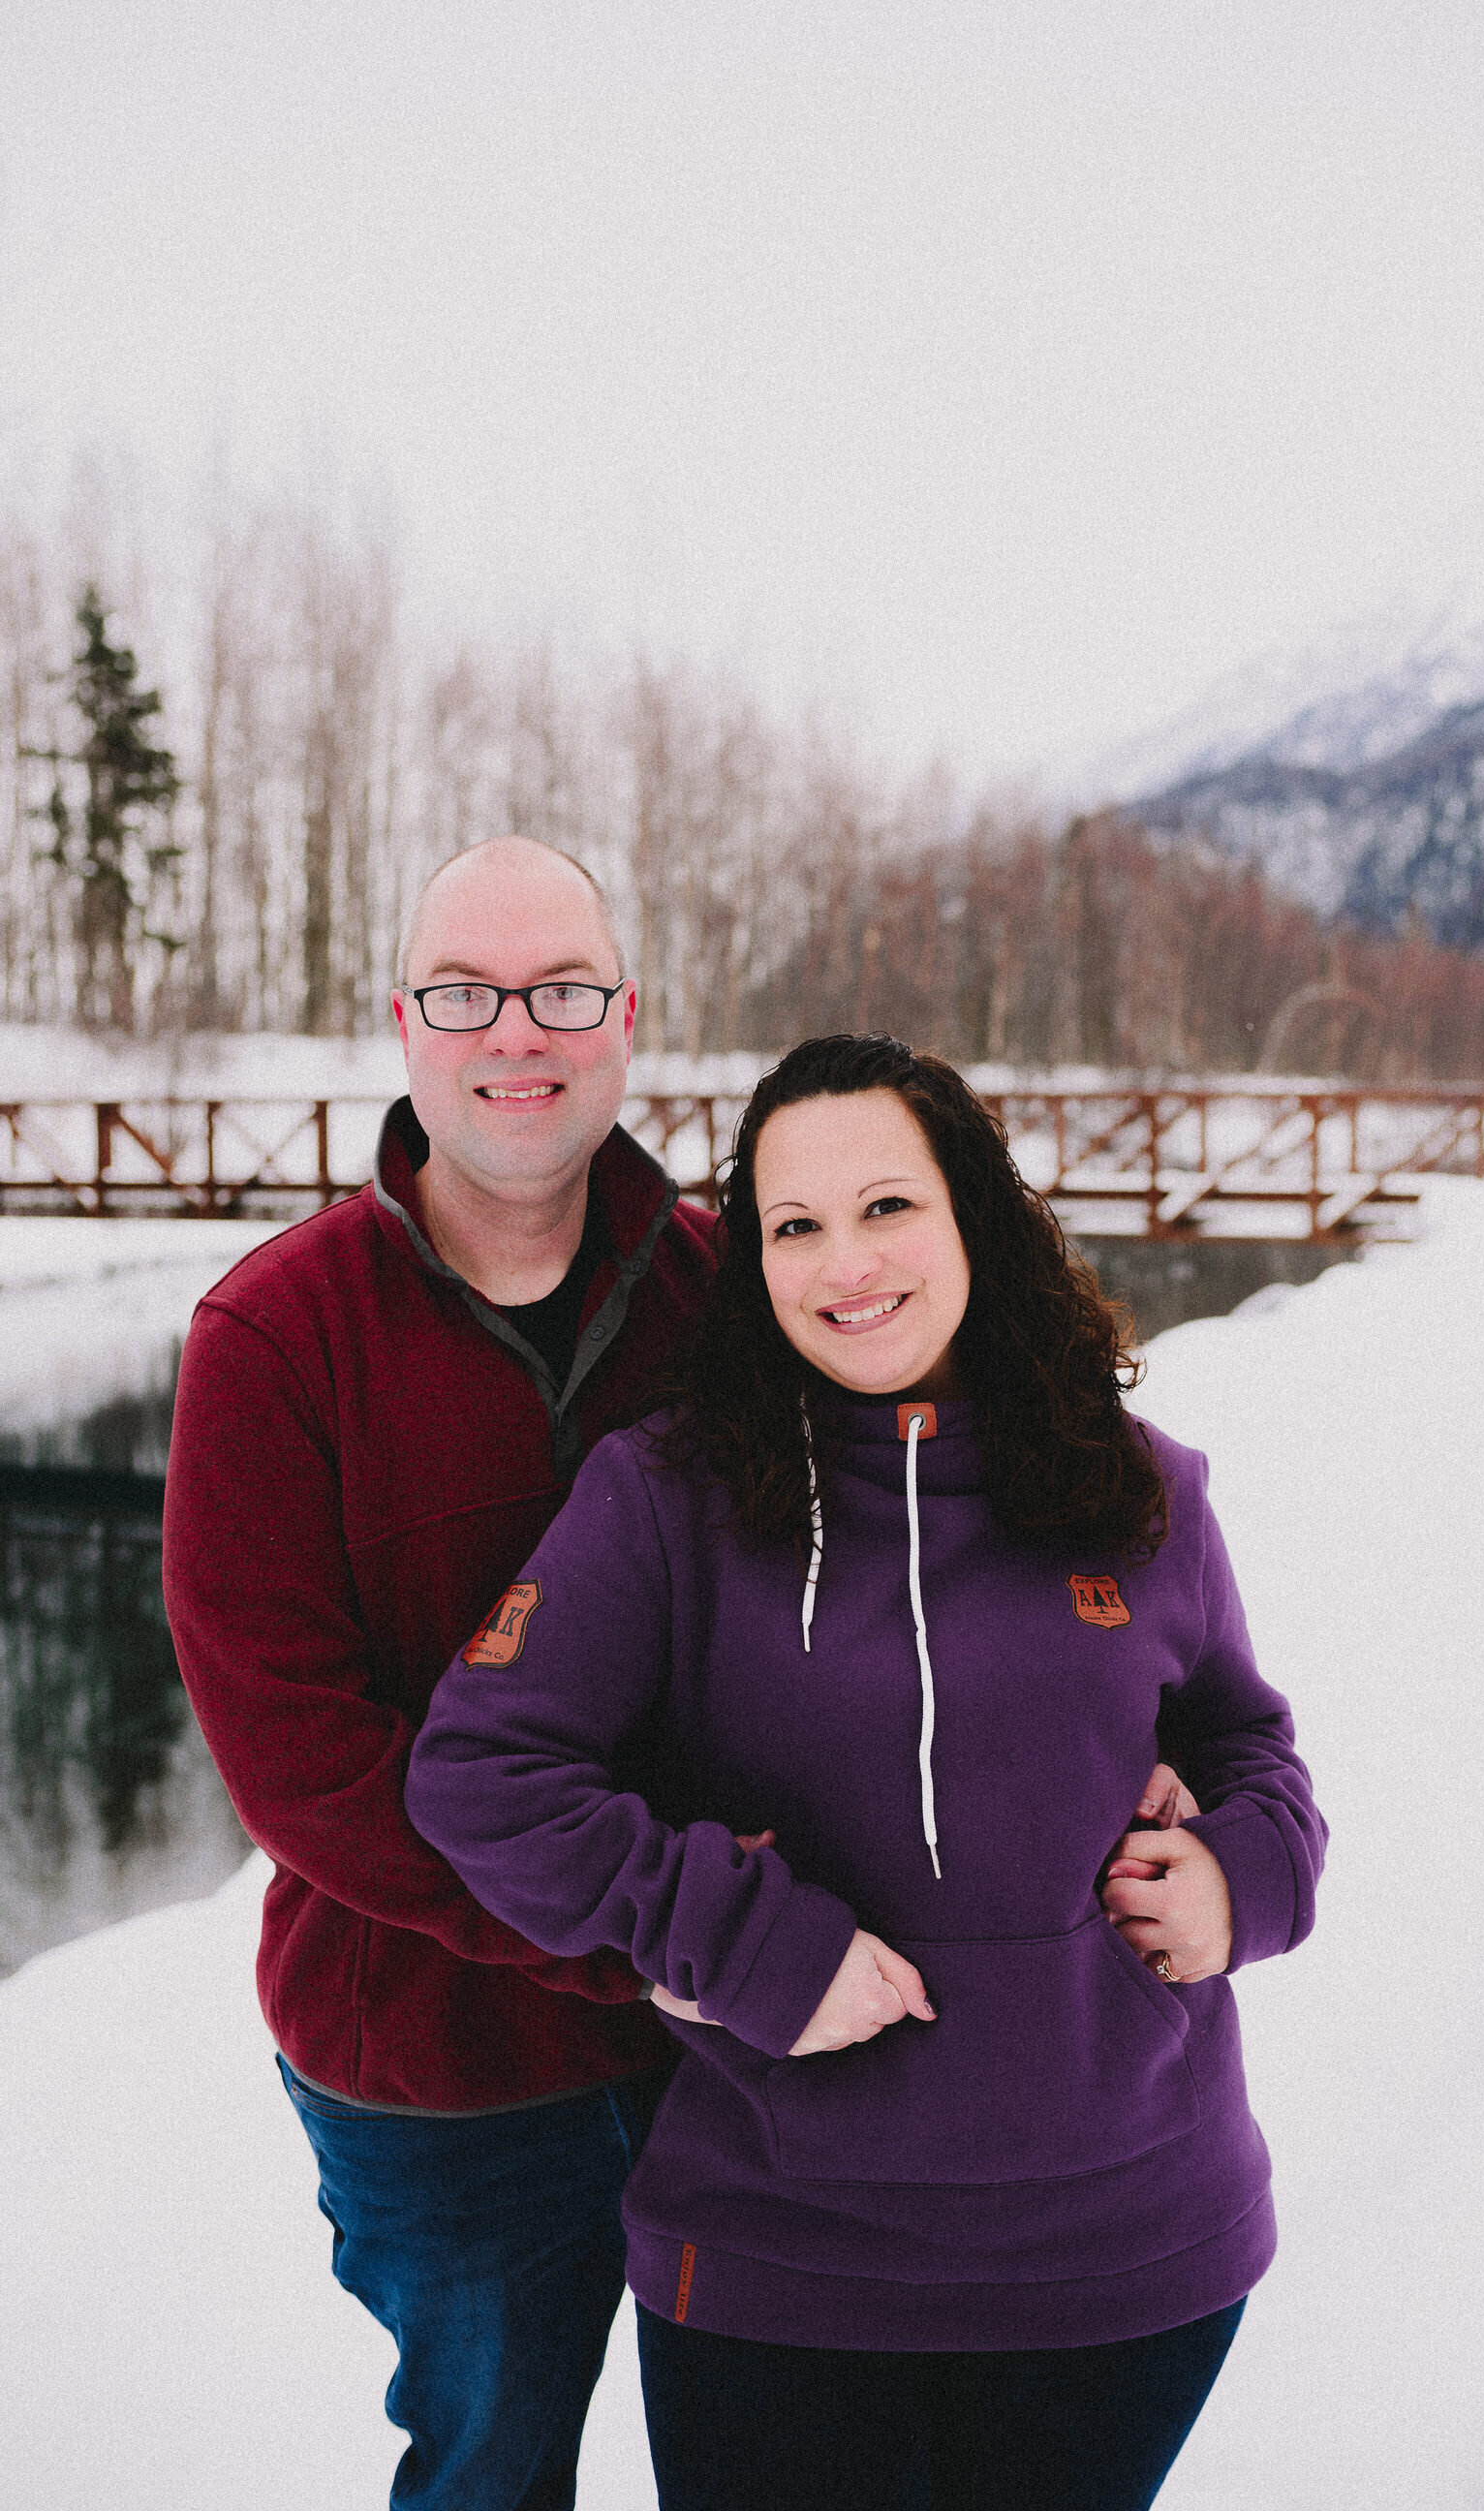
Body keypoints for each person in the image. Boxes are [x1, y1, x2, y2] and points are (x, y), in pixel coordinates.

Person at [406, 1031, 1329, 2511]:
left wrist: (1247, 1874)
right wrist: (738, 1935)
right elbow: (483, 1773)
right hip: (782, 2268)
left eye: (887, 1207)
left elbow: (1239, 1737)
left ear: (972, 1215)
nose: (847, 1263)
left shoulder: (1139, 1484)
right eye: (793, 1225)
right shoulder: (666, 1496)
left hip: (1124, 2259)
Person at [160, 837, 718, 2511]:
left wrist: (1117, 1720)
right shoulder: (271, 1337)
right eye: (467, 995)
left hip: (733, 2038)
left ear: (626, 1018)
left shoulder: (727, 1290)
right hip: (436, 2073)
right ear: (404, 1027)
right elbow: (301, 1764)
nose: (515, 1035)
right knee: (491, 2469)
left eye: (558, 992)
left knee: (780, 2460)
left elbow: (906, 1552)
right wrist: (635, 1938)